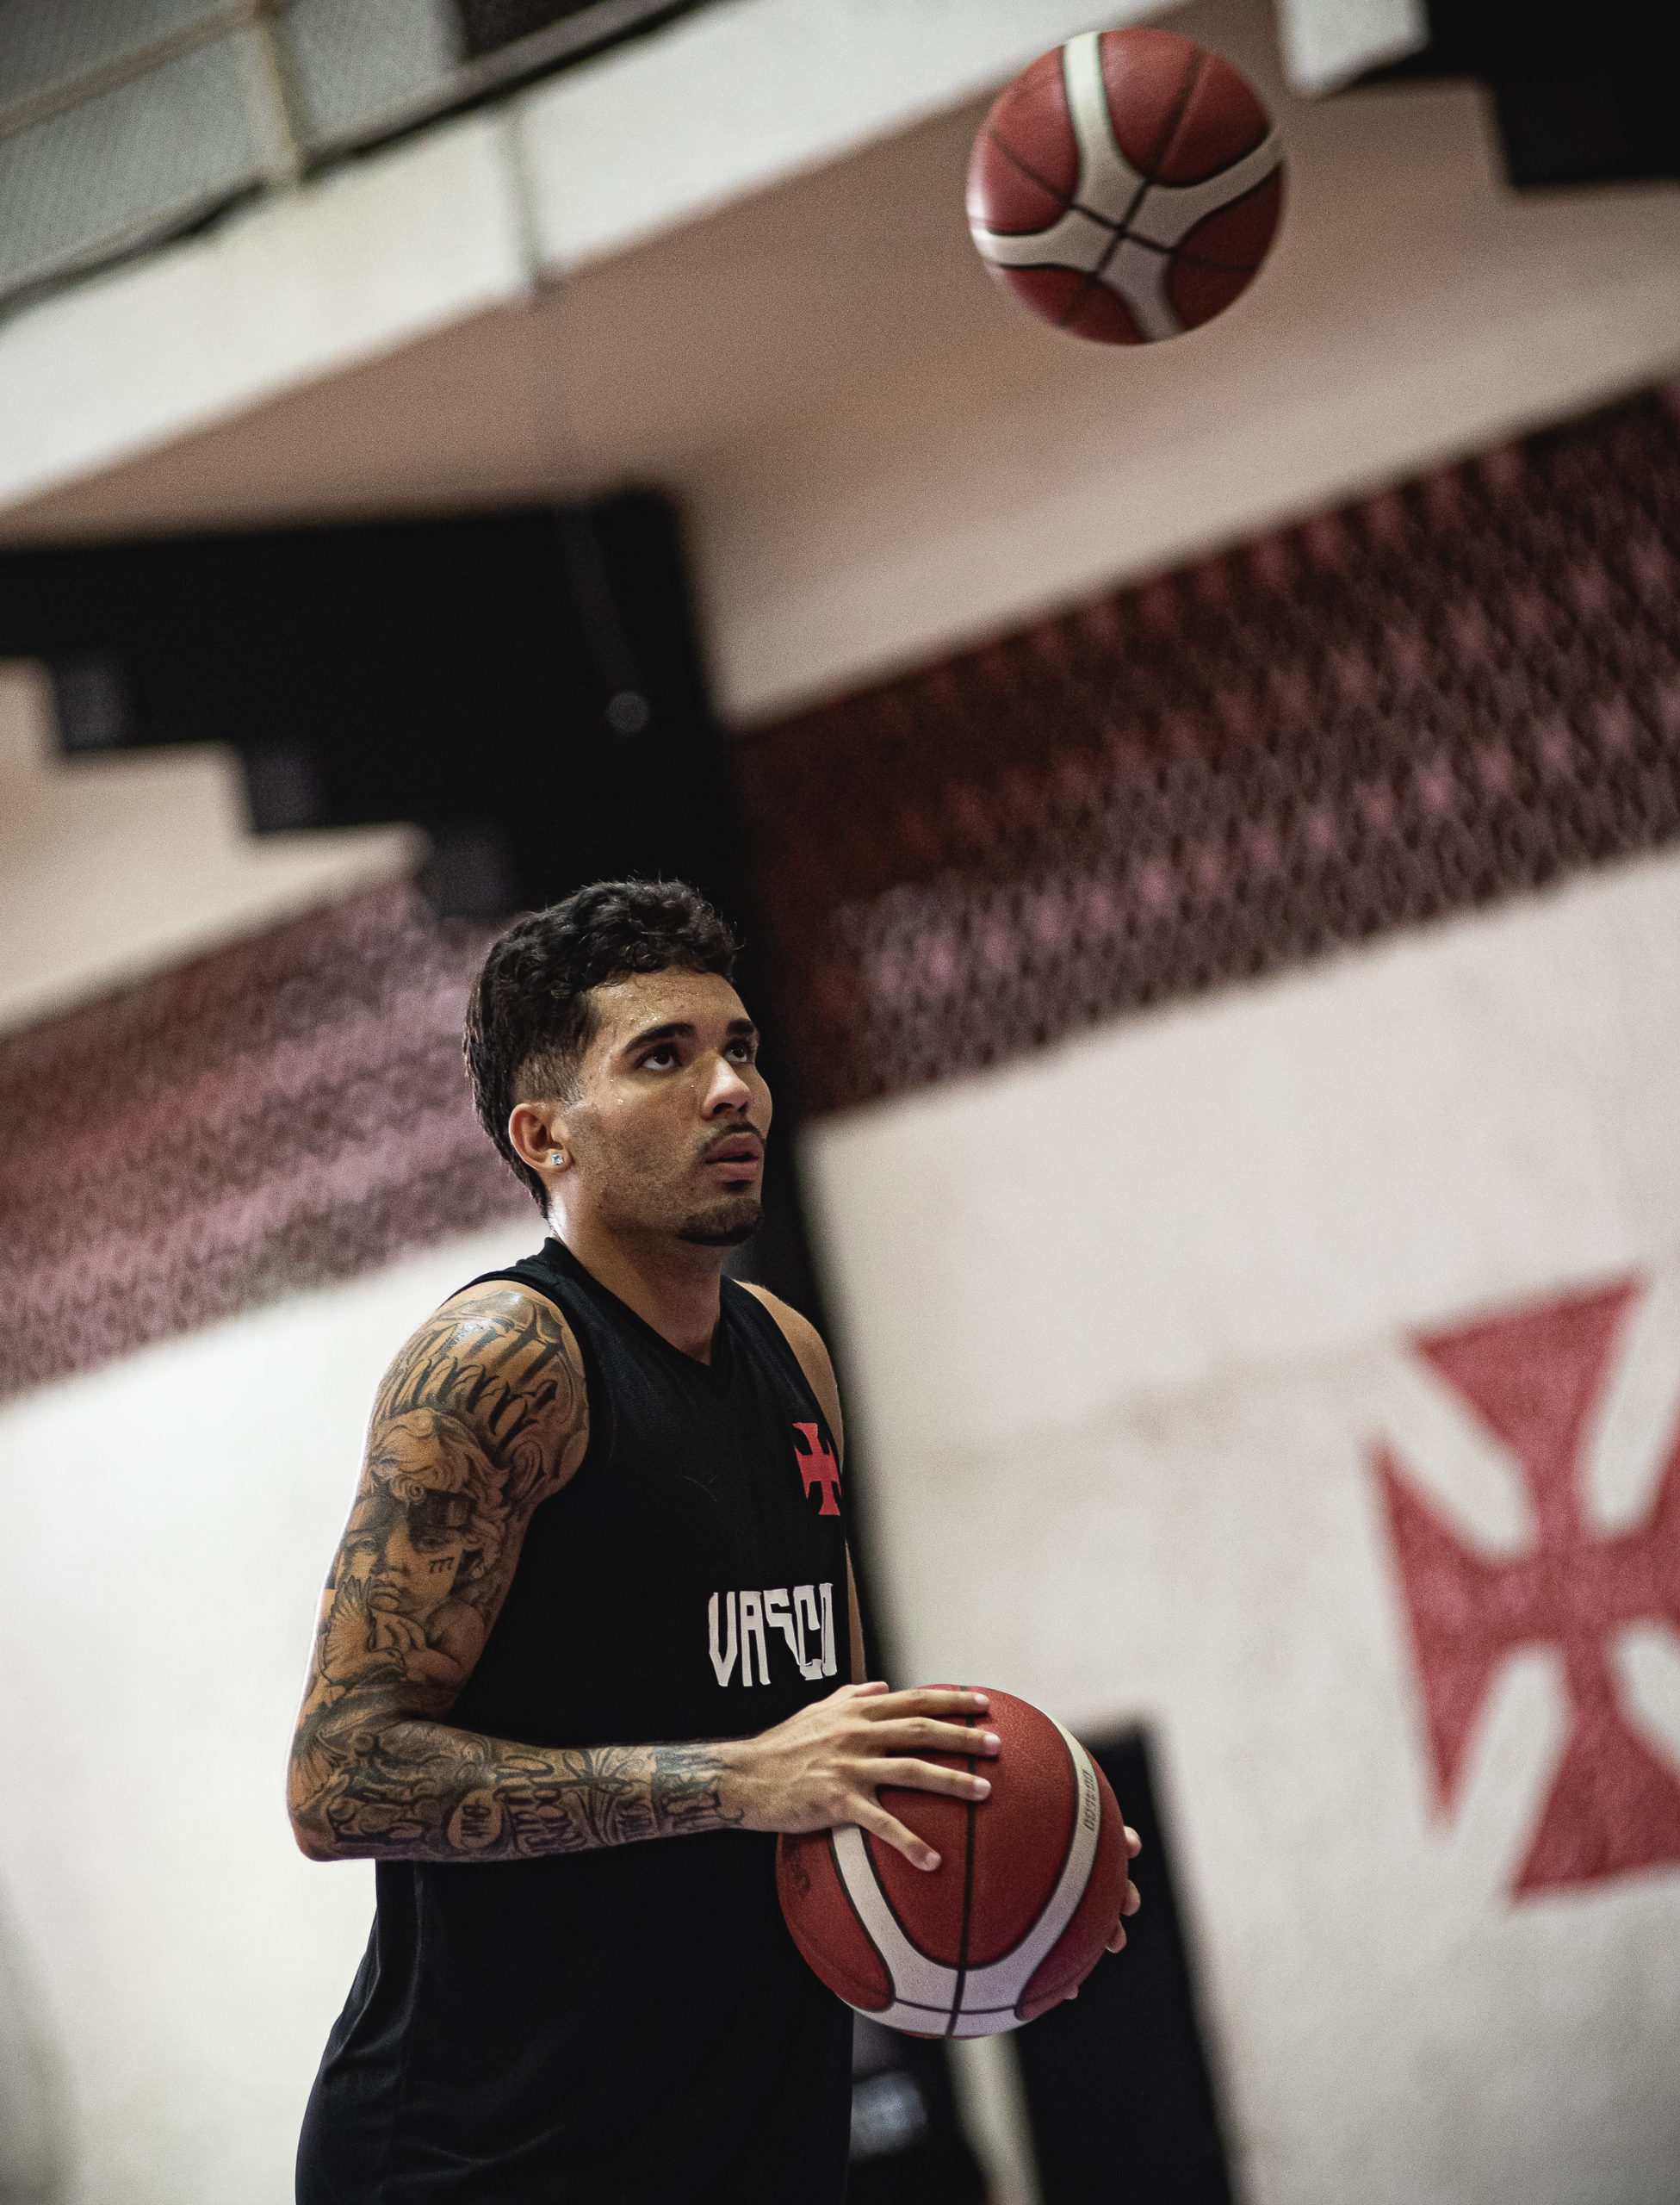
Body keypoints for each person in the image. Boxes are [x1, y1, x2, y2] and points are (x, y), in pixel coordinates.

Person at [289, 878, 1138, 2202]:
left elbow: (830, 1735)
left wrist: (1034, 1865)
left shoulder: (790, 1354)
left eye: (739, 1046)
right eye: (663, 1057)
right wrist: (732, 1782)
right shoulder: (504, 1361)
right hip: (493, 2155)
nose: (732, 1088)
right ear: (545, 1135)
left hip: (745, 2131)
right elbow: (338, 1779)